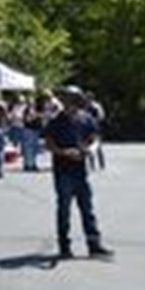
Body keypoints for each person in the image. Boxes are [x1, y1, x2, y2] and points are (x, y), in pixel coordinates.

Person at [43, 86, 113, 259]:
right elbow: (49, 144)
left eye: (72, 101)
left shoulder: (86, 118)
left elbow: (95, 138)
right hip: (63, 171)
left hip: (81, 171)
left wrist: (91, 149)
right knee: (64, 209)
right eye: (66, 101)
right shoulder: (56, 121)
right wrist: (64, 152)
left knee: (87, 208)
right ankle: (64, 246)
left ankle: (94, 244)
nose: (69, 105)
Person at [84, 91, 106, 170]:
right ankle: (92, 165)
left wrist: (95, 122)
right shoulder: (85, 107)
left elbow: (101, 116)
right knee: (89, 145)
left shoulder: (96, 106)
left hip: (96, 128)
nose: (87, 99)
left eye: (88, 98)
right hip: (88, 128)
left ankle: (101, 164)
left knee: (98, 145)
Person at [22, 95, 44, 172]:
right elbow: (27, 120)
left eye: (32, 102)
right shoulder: (27, 110)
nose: (32, 103)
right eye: (30, 102)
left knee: (34, 148)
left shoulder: (35, 109)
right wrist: (35, 116)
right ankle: (28, 165)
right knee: (29, 148)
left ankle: (33, 163)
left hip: (36, 130)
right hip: (29, 130)